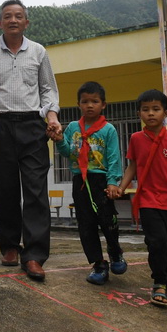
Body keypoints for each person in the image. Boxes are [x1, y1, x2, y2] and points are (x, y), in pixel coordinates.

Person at [0, 0, 62, 282]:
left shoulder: (38, 51)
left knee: (35, 191)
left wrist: (52, 117)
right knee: (3, 189)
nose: (13, 20)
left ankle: (34, 255)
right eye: (7, 16)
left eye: (18, 16)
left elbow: (48, 90)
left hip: (33, 125)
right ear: (0, 23)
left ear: (26, 22)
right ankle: (10, 245)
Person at [109, 89, 167, 310]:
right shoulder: (136, 139)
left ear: (165, 112)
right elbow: (133, 166)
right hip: (148, 201)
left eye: (156, 109)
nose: (150, 113)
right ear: (139, 113)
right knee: (157, 242)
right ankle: (159, 283)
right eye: (145, 109)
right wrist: (121, 188)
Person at [52, 81, 126, 285]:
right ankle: (98, 264)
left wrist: (113, 182)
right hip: (81, 181)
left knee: (108, 220)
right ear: (79, 104)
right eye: (85, 102)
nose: (90, 105)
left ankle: (115, 251)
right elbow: (68, 152)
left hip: (101, 181)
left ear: (103, 104)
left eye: (95, 101)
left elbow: (113, 157)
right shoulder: (73, 128)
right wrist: (59, 140)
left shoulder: (108, 130)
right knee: (86, 224)